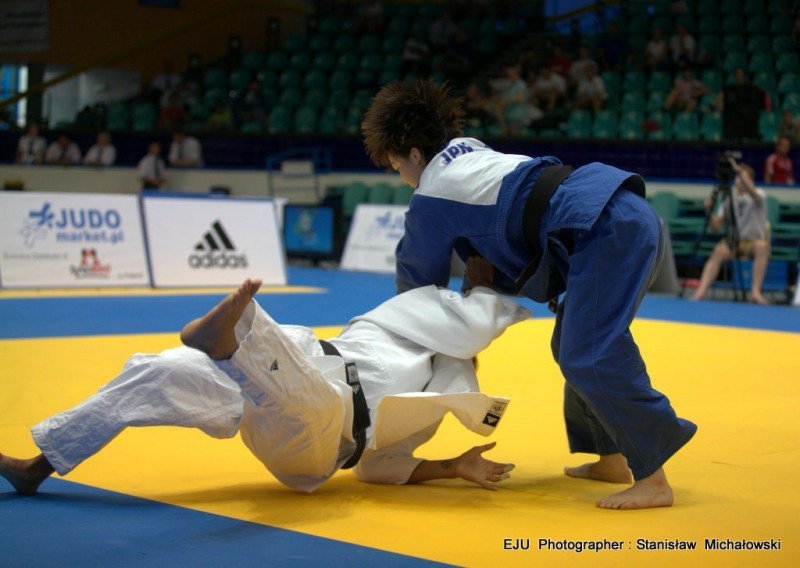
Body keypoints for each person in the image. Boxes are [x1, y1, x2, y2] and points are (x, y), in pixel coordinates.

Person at [361, 80, 697, 510]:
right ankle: (612, 458)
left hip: (603, 228)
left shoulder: (430, 193)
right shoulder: (471, 151)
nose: (402, 178)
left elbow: (416, 291)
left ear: (413, 153)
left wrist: (429, 348)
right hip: (616, 214)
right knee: (571, 345)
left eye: (396, 166)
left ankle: (653, 479)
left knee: (589, 353)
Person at [0, 275, 528, 495]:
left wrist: (453, 466)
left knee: (315, 405)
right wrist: (481, 284)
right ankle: (36, 467)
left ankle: (231, 344)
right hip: (290, 362)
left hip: (318, 441)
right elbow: (464, 319)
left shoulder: (431, 403)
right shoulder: (387, 324)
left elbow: (378, 468)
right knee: (157, 371)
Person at [691, 159, 771, 305]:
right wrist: (709, 211)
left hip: (753, 240)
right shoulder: (729, 198)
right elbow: (716, 228)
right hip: (734, 241)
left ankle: (755, 292)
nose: (739, 180)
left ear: (750, 180)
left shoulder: (759, 193)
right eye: (737, 177)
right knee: (718, 251)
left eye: (742, 177)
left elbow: (754, 194)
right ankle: (701, 291)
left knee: (762, 247)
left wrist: (738, 169)